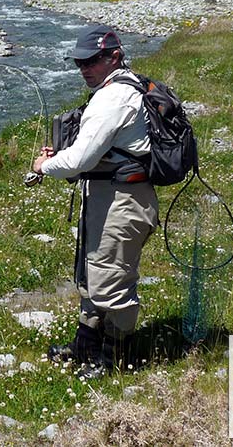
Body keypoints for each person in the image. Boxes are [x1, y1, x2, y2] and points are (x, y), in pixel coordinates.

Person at [31, 24, 158, 378]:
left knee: (112, 282)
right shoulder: (117, 88)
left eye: (91, 61)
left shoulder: (114, 97)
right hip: (108, 196)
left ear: (114, 57)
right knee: (91, 276)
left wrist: (46, 165)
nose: (84, 68)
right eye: (79, 63)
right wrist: (63, 156)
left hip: (124, 201)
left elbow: (79, 161)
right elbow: (92, 152)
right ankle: (85, 346)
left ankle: (114, 359)